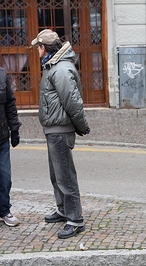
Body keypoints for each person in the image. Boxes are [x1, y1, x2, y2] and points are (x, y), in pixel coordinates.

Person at [31, 29, 90, 239]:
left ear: (43, 48)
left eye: (37, 47)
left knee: (65, 177)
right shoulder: (53, 66)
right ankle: (63, 210)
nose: (36, 51)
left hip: (60, 130)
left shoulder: (61, 69)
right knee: (56, 175)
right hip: (53, 129)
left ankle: (75, 220)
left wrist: (82, 126)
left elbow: (73, 103)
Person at [0, 67, 21, 227]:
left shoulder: (1, 74)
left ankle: (4, 210)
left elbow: (10, 103)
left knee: (5, 177)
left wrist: (14, 129)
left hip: (2, 137)